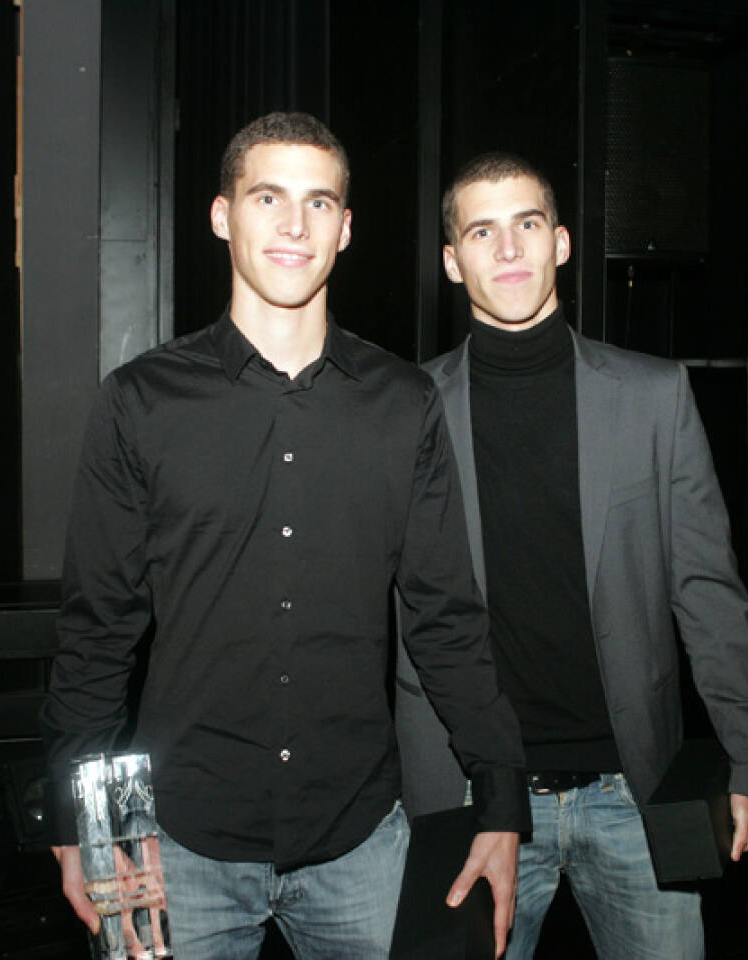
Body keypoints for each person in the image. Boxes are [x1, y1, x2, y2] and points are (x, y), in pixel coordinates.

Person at [40, 114, 530, 960]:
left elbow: (447, 620)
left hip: (359, 840)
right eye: (268, 198)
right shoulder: (140, 401)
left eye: (319, 203)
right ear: (222, 215)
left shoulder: (403, 403)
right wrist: (75, 815)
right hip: (178, 843)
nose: (296, 225)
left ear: (346, 227)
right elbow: (97, 628)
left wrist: (501, 800)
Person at [394, 152, 748, 959]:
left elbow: (707, 589)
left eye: (527, 224)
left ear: (561, 242)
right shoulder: (405, 413)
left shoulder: (654, 396)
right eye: (482, 232)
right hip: (474, 799)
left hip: (635, 792)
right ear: (452, 260)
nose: (508, 249)